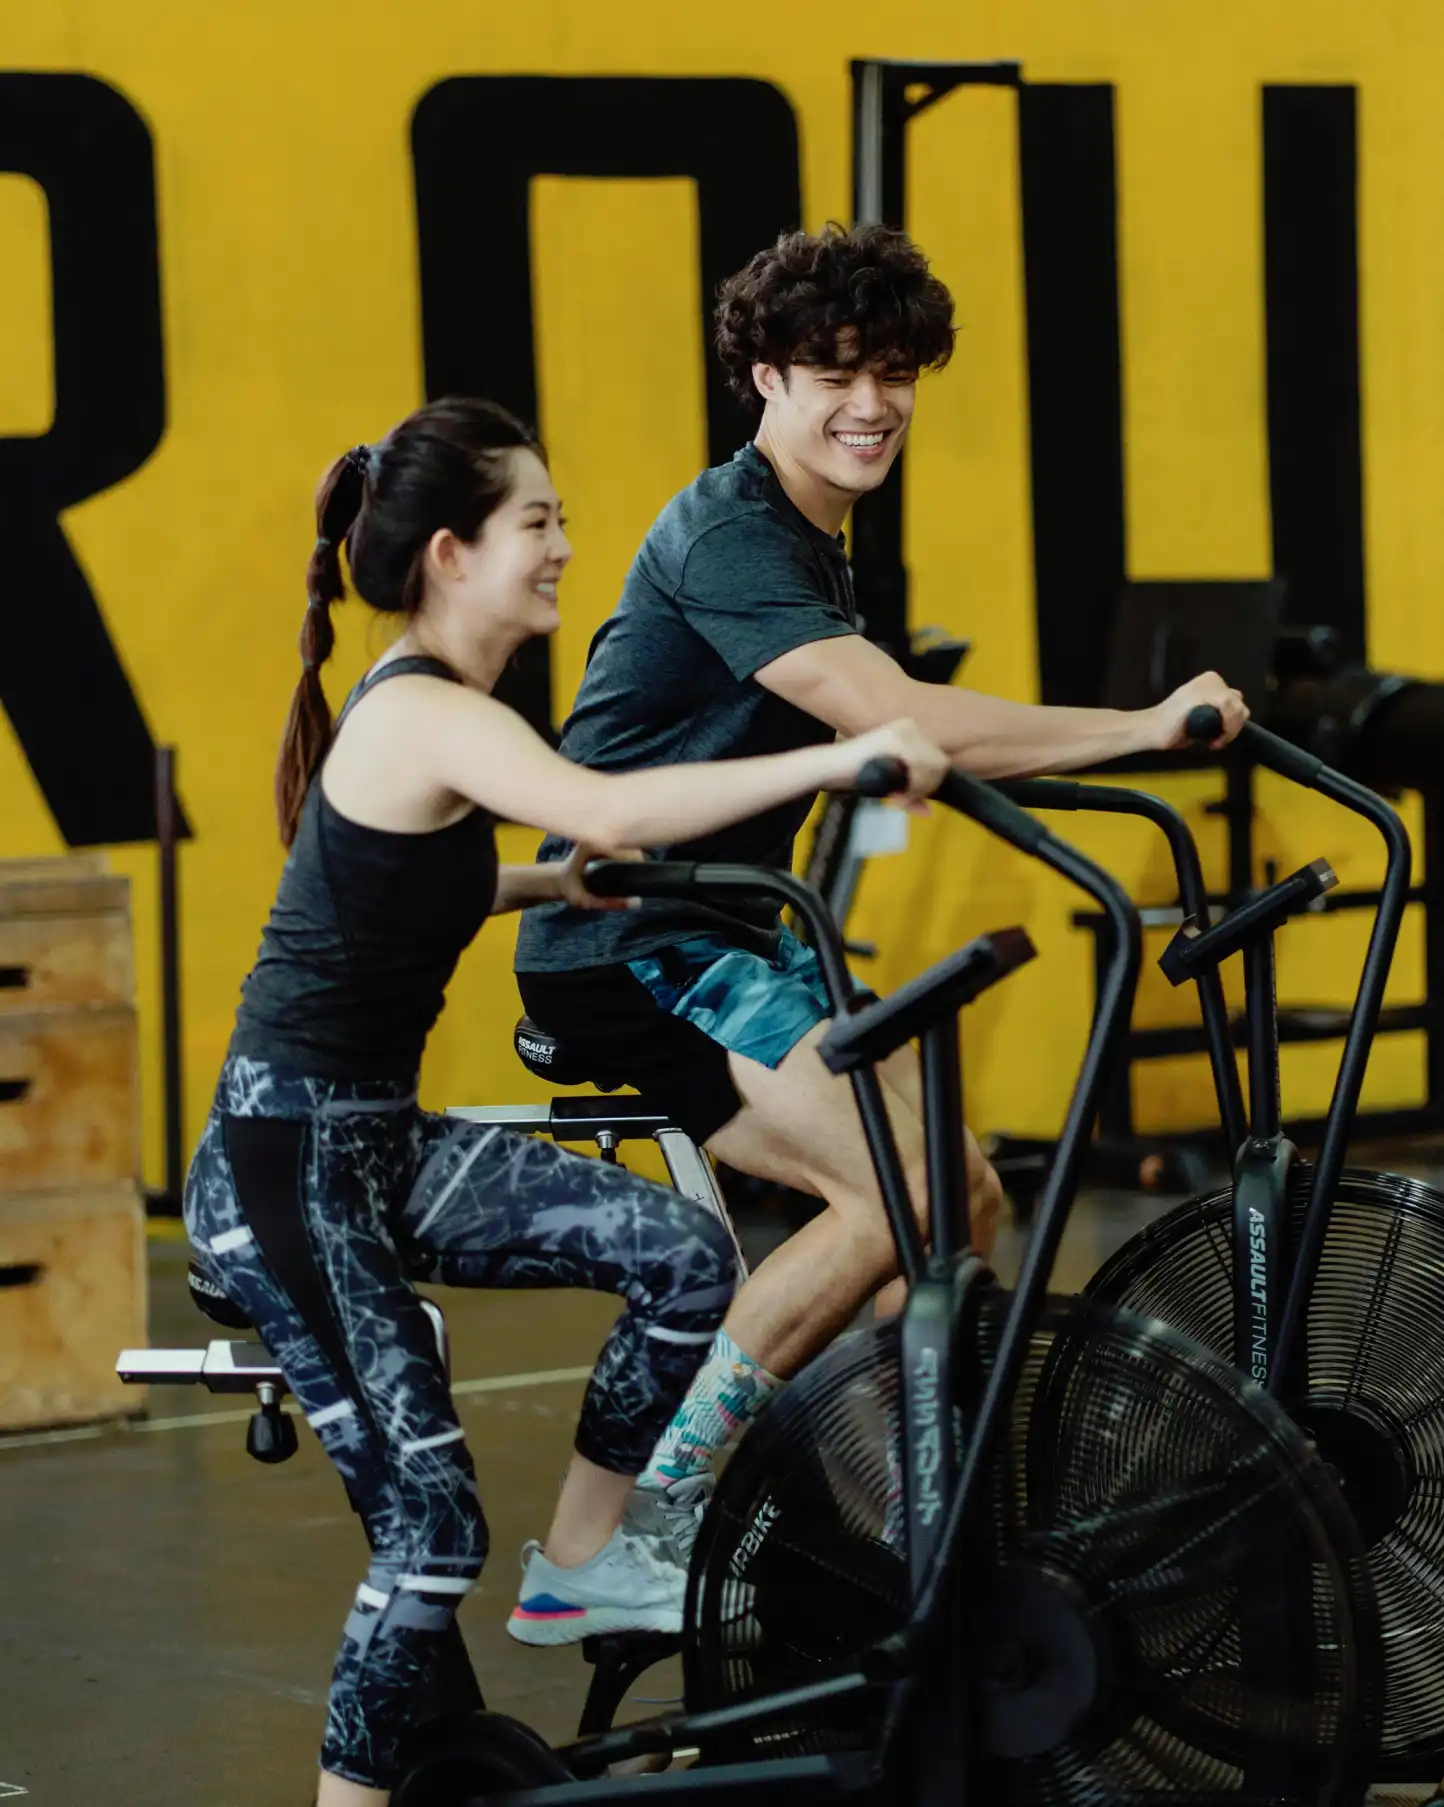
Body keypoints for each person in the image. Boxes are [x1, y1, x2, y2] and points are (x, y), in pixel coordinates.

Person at [182, 396, 946, 1806]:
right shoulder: (427, 710)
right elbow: (609, 804)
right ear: (452, 554)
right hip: (285, 1167)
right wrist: (844, 754)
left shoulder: (436, 711)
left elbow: (420, 879)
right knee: (429, 1535)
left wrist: (546, 884)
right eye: (536, 523)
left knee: (684, 1251)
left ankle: (583, 1563)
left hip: (377, 1144)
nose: (562, 549)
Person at [513, 222, 1251, 1559]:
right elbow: (901, 720)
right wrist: (1144, 727)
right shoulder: (733, 533)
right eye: (834, 373)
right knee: (898, 1195)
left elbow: (889, 730)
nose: (871, 404)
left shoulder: (809, 536)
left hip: (730, 931)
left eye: (894, 373)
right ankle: (644, 1522)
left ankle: (890, 1526)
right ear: (767, 379)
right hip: (632, 940)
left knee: (963, 1198)